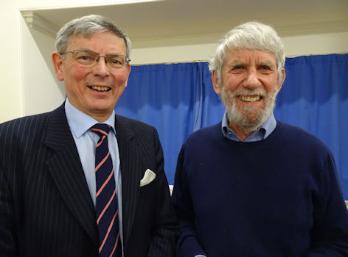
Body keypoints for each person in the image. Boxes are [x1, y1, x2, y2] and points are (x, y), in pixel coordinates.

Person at [0, 14, 176, 257]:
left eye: (115, 60)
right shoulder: (12, 140)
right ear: (59, 65)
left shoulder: (145, 138)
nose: (102, 71)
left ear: (127, 71)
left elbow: (164, 227)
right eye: (86, 57)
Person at [172, 21, 348, 257]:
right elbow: (182, 222)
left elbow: (337, 242)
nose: (252, 81)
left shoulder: (314, 155)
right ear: (216, 80)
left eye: (264, 68)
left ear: (280, 79)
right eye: (238, 68)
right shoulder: (195, 149)